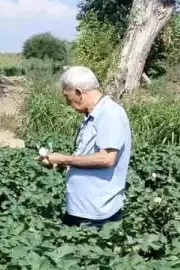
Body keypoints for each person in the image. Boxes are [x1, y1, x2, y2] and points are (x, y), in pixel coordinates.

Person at [38, 66, 131, 227]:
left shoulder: (110, 114)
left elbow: (106, 159)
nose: (67, 103)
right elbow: (90, 155)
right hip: (82, 208)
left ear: (79, 92)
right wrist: (64, 164)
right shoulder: (93, 114)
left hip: (96, 213)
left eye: (67, 97)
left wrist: (64, 158)